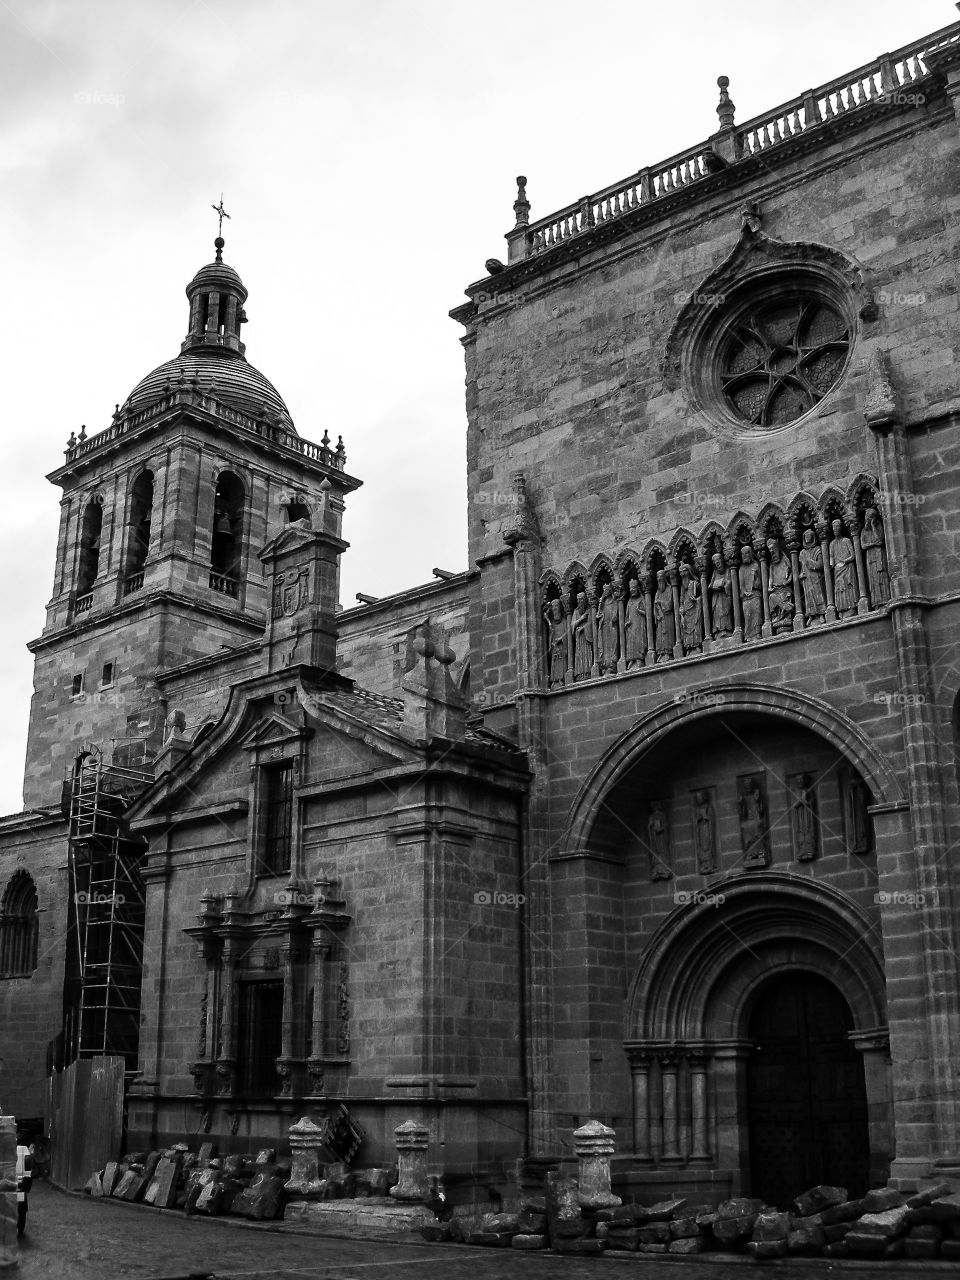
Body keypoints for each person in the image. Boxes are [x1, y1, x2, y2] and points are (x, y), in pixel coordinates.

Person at [15, 1132, 32, 1238]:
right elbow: (28, 1172)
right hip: (19, 1183)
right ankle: (20, 1228)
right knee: (21, 1207)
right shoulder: (23, 1150)